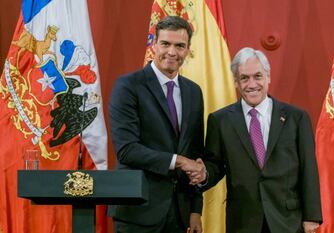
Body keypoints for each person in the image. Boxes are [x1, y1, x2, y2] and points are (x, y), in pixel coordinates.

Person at [196, 47, 322, 233]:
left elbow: (308, 169)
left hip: (287, 220)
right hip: (243, 220)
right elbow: (215, 165)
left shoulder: (296, 118)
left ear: (268, 77)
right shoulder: (220, 121)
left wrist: (311, 216)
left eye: (258, 76)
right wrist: (203, 174)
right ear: (236, 83)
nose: (252, 84)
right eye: (244, 78)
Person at [108, 16, 205, 233]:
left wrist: (195, 210)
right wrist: (178, 161)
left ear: (188, 50)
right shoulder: (128, 86)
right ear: (154, 45)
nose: (172, 52)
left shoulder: (194, 92)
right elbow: (126, 150)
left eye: (179, 46)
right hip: (137, 211)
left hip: (180, 215)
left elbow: (195, 155)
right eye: (165, 44)